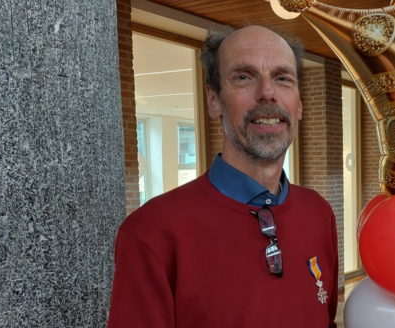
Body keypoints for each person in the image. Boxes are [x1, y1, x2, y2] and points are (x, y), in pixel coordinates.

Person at [107, 25, 338, 328]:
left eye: (282, 78)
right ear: (213, 100)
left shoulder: (319, 213)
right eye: (243, 77)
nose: (267, 92)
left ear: (299, 105)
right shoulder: (152, 233)